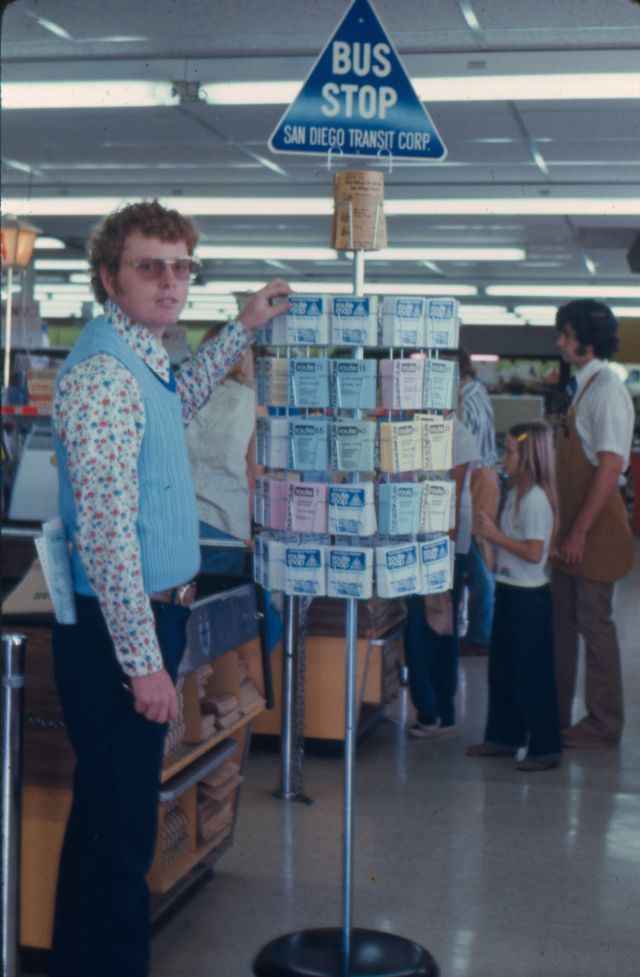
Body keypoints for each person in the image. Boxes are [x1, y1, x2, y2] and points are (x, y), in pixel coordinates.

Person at [50, 199, 290, 977]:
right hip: (120, 629)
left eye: (182, 265)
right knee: (121, 843)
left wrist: (241, 327)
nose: (170, 282)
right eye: (150, 265)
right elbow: (108, 536)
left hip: (144, 622)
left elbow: (180, 401)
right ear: (108, 275)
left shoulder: (144, 358)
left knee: (105, 827)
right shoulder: (103, 376)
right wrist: (143, 660)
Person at [551, 299, 635, 749]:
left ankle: (604, 723)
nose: (559, 341)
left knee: (594, 625)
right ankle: (558, 714)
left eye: (565, 334)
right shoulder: (583, 387)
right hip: (570, 529)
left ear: (585, 339)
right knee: (562, 623)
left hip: (593, 530)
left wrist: (580, 530)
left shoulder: (607, 391)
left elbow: (609, 466)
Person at [466, 421, 562, 772]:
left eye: (509, 451)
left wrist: (493, 534)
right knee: (503, 669)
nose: (503, 457)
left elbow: (534, 552)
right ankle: (503, 737)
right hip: (509, 589)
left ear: (528, 457)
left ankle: (545, 746)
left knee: (531, 674)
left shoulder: (535, 500)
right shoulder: (514, 496)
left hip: (530, 598)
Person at [405, 417, 479, 737]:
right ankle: (436, 710)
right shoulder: (410, 425)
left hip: (445, 546)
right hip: (420, 539)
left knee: (431, 626)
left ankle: (434, 711)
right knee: (429, 626)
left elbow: (455, 495)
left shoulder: (457, 432)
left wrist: (445, 555)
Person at [187, 323, 257, 576]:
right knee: (221, 604)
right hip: (228, 523)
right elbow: (253, 475)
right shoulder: (251, 403)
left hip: (181, 521)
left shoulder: (184, 397)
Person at [458, 348, 499, 653]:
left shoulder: (467, 401)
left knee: (475, 551)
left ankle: (481, 634)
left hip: (478, 478)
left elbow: (464, 453)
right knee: (477, 549)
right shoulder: (477, 392)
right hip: (483, 476)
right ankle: (480, 629)